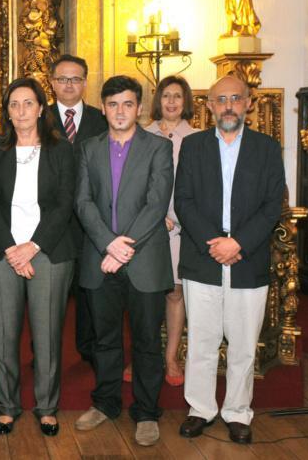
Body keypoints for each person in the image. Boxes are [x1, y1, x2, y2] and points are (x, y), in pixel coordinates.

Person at [175, 76, 284, 444]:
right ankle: (200, 409)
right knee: (202, 341)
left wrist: (238, 243)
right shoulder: (192, 146)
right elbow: (184, 201)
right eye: (221, 99)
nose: (228, 105)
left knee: (242, 343)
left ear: (249, 103)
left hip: (247, 261)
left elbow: (273, 206)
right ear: (209, 106)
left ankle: (238, 412)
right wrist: (216, 243)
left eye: (236, 98)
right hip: (202, 258)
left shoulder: (268, 148)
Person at [73, 75, 173, 447]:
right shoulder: (88, 148)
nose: (120, 111)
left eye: (127, 104)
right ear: (103, 108)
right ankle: (105, 403)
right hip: (101, 260)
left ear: (140, 108)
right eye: (113, 104)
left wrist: (124, 247)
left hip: (144, 260)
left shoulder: (158, 148)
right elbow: (82, 203)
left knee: (147, 341)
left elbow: (156, 202)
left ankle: (146, 412)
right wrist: (107, 245)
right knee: (105, 340)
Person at [0, 77, 76, 437]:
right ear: (6, 111)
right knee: (3, 334)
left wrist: (32, 246)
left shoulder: (61, 150)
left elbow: (65, 203)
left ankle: (47, 408)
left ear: (40, 108)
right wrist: (11, 248)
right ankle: (7, 407)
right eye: (14, 104)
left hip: (49, 250)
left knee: (48, 333)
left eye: (28, 103)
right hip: (0, 251)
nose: (21, 111)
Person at [124, 76, 196, 386]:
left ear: (185, 101)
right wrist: (152, 217)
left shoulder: (196, 137)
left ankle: (170, 357)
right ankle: (142, 356)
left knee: (174, 293)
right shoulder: (141, 134)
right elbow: (132, 184)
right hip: (146, 228)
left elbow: (196, 186)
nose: (171, 102)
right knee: (143, 293)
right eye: (166, 95)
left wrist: (173, 217)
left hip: (179, 228)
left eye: (177, 96)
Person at [47, 54, 108, 366]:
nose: (69, 85)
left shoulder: (102, 119)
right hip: (49, 220)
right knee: (48, 292)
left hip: (91, 219)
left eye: (75, 79)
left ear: (85, 83)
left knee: (89, 289)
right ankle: (45, 351)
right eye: (62, 79)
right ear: (52, 83)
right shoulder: (38, 117)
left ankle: (89, 347)